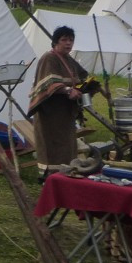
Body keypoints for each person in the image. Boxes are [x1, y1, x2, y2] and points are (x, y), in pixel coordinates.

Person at [27, 25, 88, 179]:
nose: (68, 43)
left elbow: (82, 76)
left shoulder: (68, 59)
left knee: (67, 145)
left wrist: (87, 86)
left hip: (65, 112)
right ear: (55, 42)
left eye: (71, 40)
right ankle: (50, 178)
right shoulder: (49, 58)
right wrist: (68, 90)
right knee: (52, 145)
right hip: (50, 112)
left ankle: (65, 174)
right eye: (64, 40)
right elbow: (50, 83)